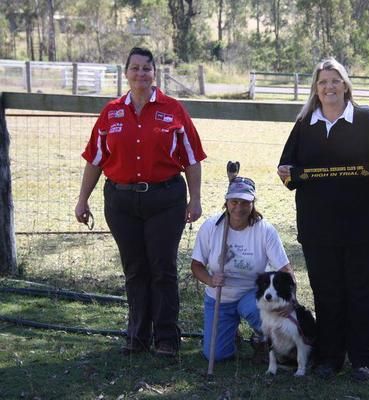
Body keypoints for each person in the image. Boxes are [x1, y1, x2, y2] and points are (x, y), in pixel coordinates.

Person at [74, 47, 206, 357]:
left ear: (154, 73)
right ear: (126, 73)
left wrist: (195, 199)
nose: (140, 73)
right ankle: (137, 336)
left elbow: (192, 159)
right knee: (134, 269)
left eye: (146, 68)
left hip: (165, 200)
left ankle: (167, 339)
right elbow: (95, 159)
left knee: (162, 268)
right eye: (134, 68)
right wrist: (83, 199)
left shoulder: (174, 110)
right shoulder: (111, 113)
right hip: (121, 202)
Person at [277, 58, 369, 382]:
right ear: (316, 89)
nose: (329, 87)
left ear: (345, 85)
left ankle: (364, 359)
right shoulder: (304, 124)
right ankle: (330, 358)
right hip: (319, 229)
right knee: (327, 292)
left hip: (366, 228)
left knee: (364, 293)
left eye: (335, 80)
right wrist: (285, 172)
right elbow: (288, 169)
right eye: (323, 82)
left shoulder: (365, 122)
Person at [190, 177, 294, 361]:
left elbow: (285, 269)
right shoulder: (211, 227)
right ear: (226, 202)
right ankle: (231, 334)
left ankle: (263, 339)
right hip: (220, 297)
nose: (239, 207)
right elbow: (196, 266)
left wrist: (290, 299)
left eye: (245, 202)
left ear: (253, 204)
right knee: (216, 355)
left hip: (254, 294)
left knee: (251, 308)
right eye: (234, 202)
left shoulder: (265, 230)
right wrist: (210, 280)